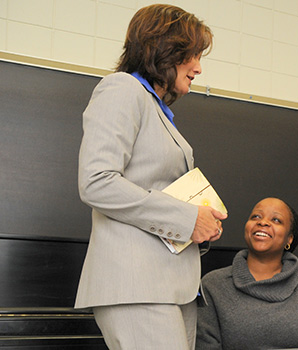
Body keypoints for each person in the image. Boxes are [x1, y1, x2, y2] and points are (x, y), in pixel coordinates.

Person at [74, 5, 223, 349]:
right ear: (165, 51)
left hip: (169, 287)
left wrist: (202, 224)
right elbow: (97, 181)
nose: (199, 68)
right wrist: (187, 218)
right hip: (137, 285)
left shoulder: (155, 108)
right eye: (193, 56)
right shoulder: (121, 89)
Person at [196, 198, 298, 349]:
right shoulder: (213, 285)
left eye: (276, 220)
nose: (263, 222)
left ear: (289, 239)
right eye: (256, 217)